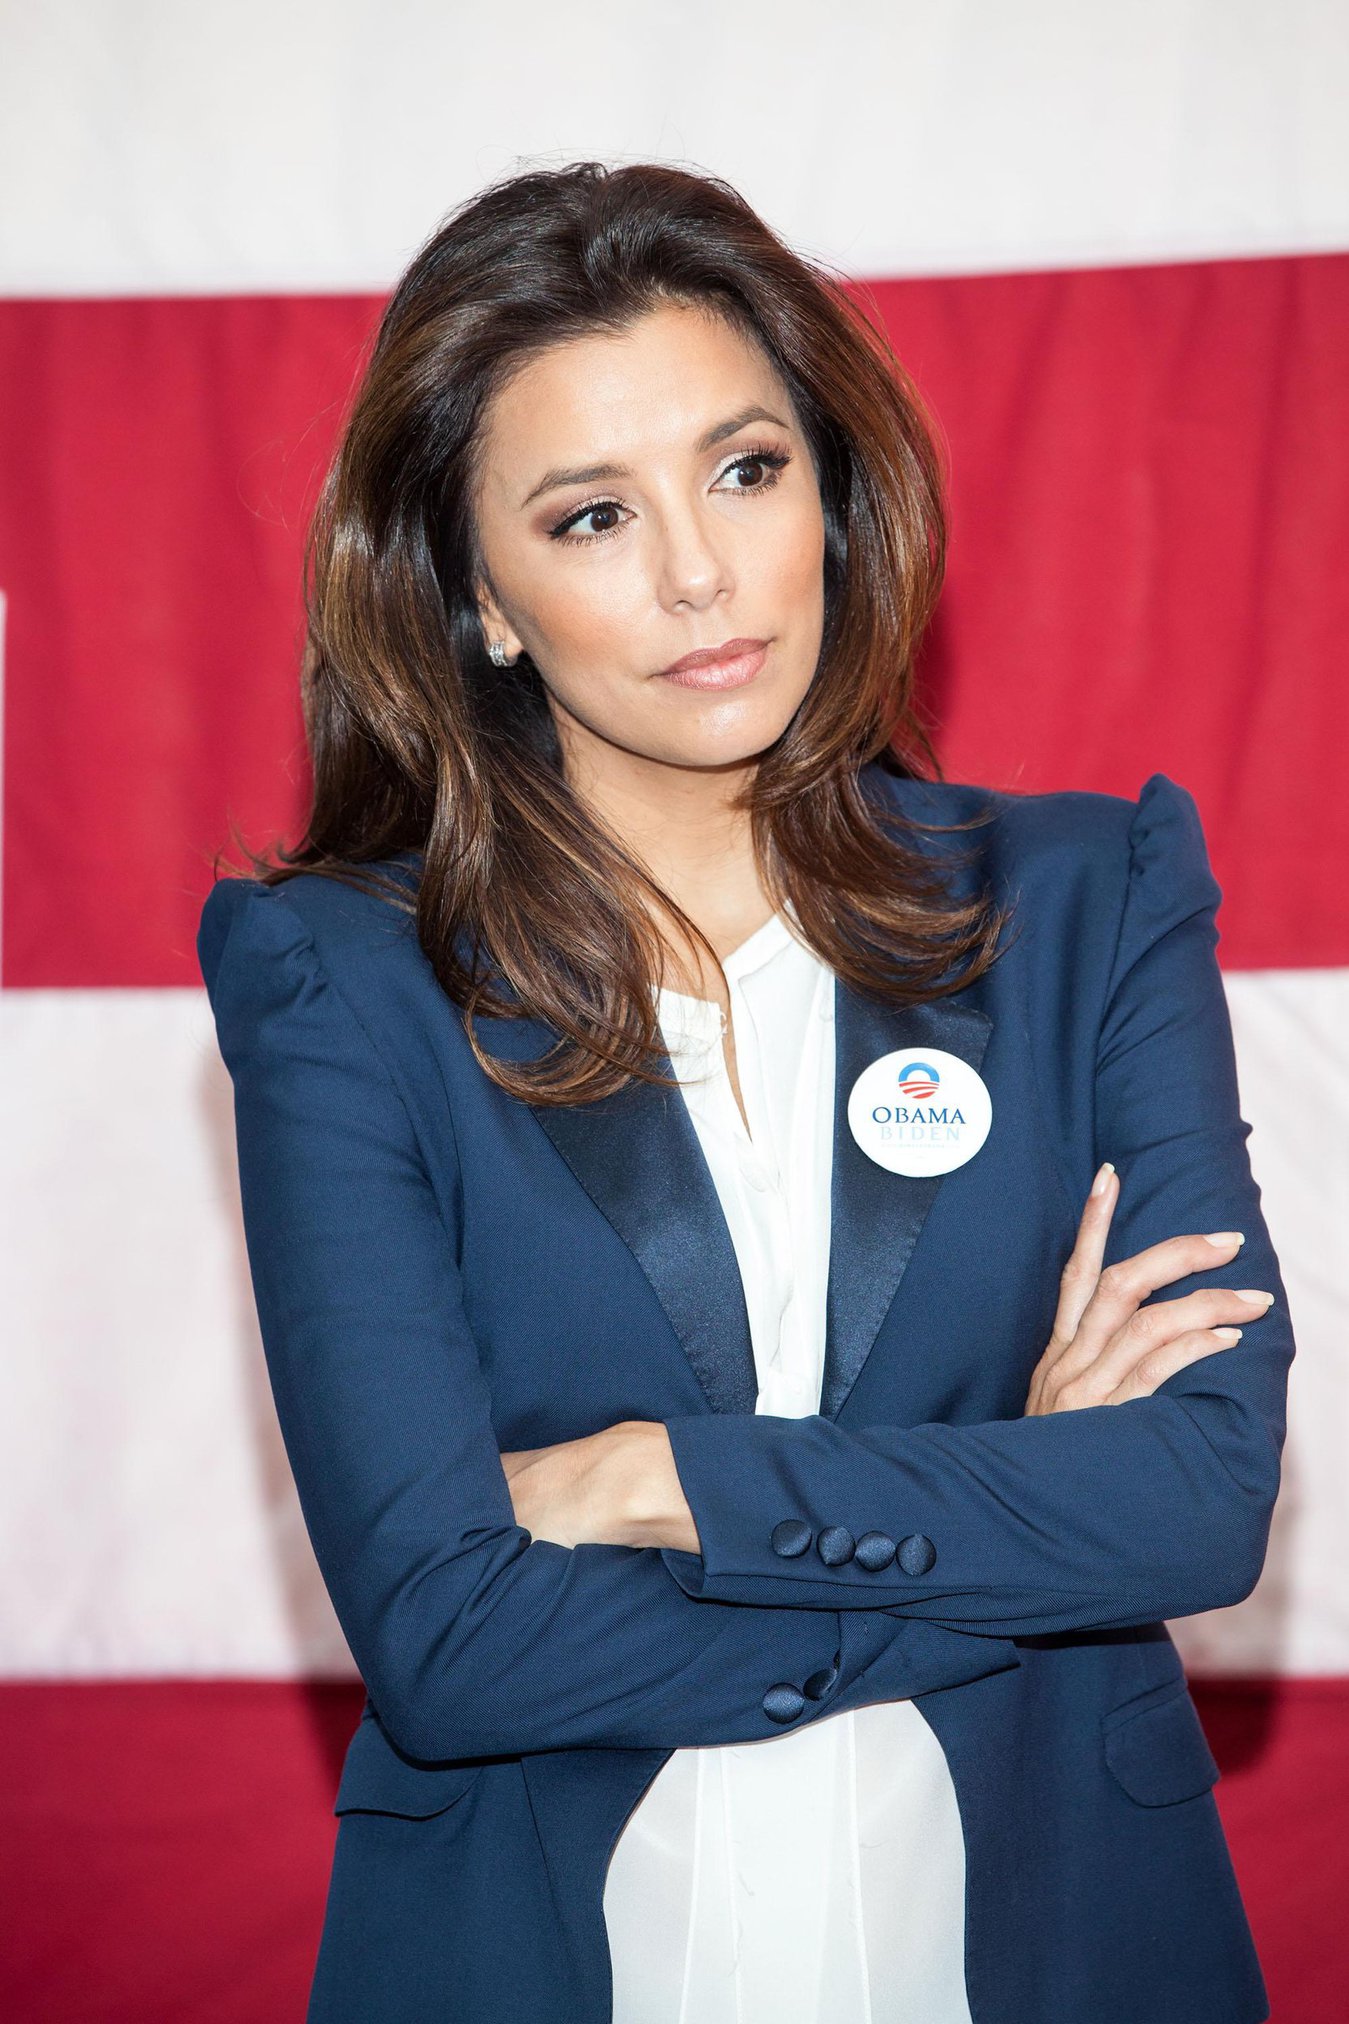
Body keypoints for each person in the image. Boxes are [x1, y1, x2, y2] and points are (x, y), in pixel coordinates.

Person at [198, 160, 1290, 2024]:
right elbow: (452, 1641)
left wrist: (658, 1483)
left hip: (1059, 1942)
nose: (698, 571)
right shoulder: (343, 980)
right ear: (479, 599)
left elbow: (1195, 1503)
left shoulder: (1087, 900)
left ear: (832, 495)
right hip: (549, 1956)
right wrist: (1021, 1492)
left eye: (746, 468)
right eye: (591, 514)